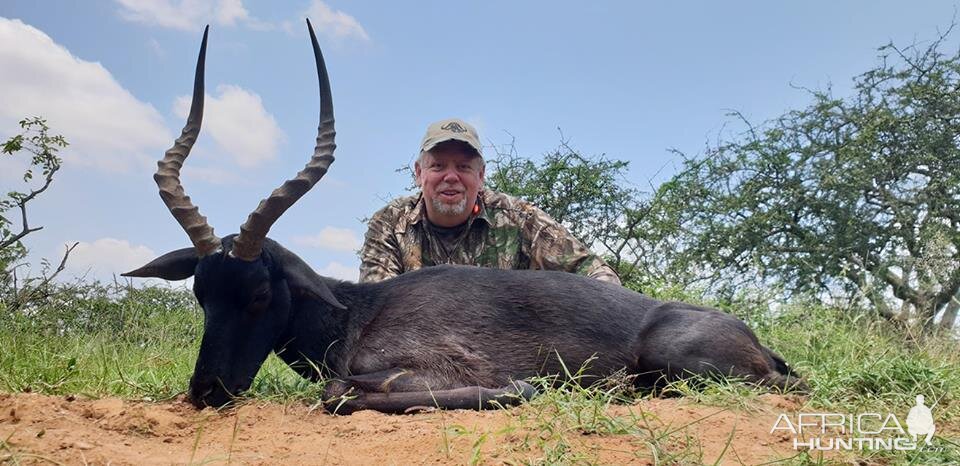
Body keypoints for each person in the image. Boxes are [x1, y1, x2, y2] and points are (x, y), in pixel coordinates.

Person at [359, 118, 621, 285]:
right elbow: (376, 307)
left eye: (463, 167)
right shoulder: (389, 223)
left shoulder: (520, 218)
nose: (451, 177)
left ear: (481, 175)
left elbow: (600, 277)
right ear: (418, 173)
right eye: (438, 166)